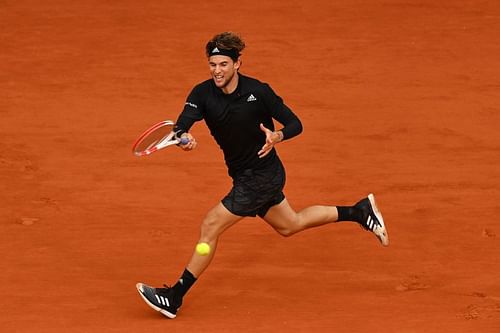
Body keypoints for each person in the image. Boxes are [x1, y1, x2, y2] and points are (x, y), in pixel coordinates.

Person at [136, 32, 389, 319]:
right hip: (243, 175)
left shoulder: (259, 92)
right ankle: (358, 211)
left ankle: (174, 296)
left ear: (237, 64)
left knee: (210, 226)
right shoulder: (201, 94)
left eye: (223, 64)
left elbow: (296, 124)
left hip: (262, 175)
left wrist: (278, 135)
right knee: (290, 225)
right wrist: (184, 137)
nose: (217, 71)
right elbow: (182, 124)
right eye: (212, 64)